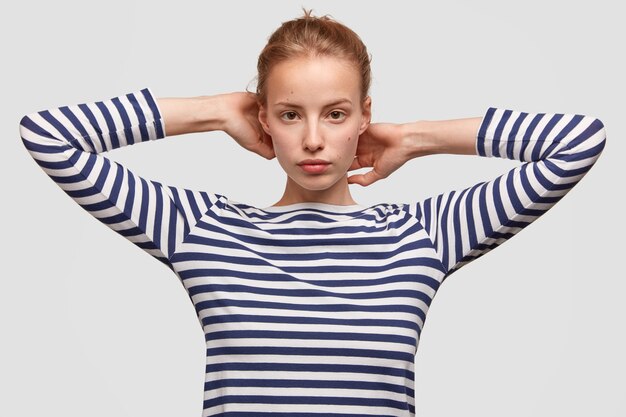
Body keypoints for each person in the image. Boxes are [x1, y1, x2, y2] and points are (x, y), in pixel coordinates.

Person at [19, 9, 606, 417]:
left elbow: (577, 144)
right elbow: (49, 137)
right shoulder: (205, 230)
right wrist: (212, 110)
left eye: (335, 113)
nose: (314, 140)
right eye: (292, 113)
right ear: (265, 120)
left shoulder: (421, 235)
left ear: (363, 116)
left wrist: (416, 137)